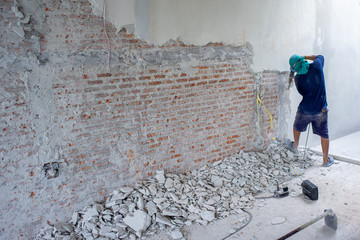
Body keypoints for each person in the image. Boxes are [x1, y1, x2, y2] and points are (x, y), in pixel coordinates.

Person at [285, 54, 334, 167]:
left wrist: (295, 76)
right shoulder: (317, 66)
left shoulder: (298, 78)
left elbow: (302, 92)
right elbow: (320, 56)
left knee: (297, 126)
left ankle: (295, 145)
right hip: (320, 110)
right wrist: (305, 56)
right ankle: (325, 160)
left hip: (305, 110)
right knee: (324, 133)